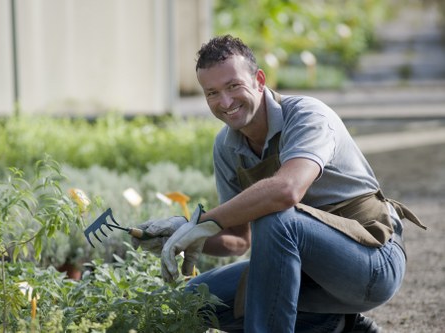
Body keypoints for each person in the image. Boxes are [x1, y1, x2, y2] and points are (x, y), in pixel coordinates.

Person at [132, 35, 426, 333]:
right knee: (189, 304)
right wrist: (184, 234)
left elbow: (287, 191)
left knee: (276, 217)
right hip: (306, 277)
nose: (225, 102)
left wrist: (204, 221)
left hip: (370, 264)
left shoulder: (307, 115)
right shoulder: (227, 146)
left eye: (234, 86)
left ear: (259, 80)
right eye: (212, 93)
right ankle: (339, 325)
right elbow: (238, 239)